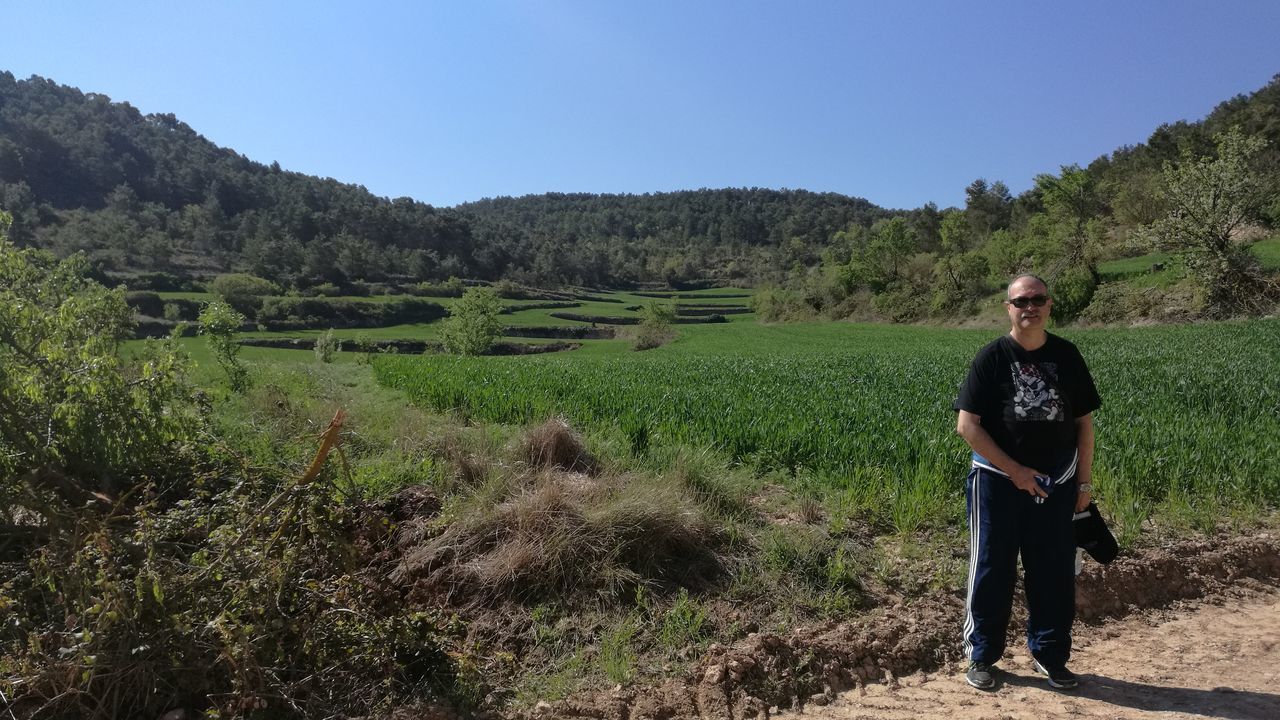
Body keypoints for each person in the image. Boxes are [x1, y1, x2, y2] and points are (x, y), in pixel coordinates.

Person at [953, 274, 1100, 691]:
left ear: (1049, 305)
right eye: (1021, 301)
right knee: (990, 570)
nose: (1029, 307)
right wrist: (1017, 472)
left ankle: (1050, 656)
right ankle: (982, 656)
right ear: (1009, 308)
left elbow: (1084, 425)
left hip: (1057, 484)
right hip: (997, 484)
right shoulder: (992, 358)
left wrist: (1083, 487)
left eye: (1037, 299)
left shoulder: (1068, 356)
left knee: (1053, 572)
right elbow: (968, 426)